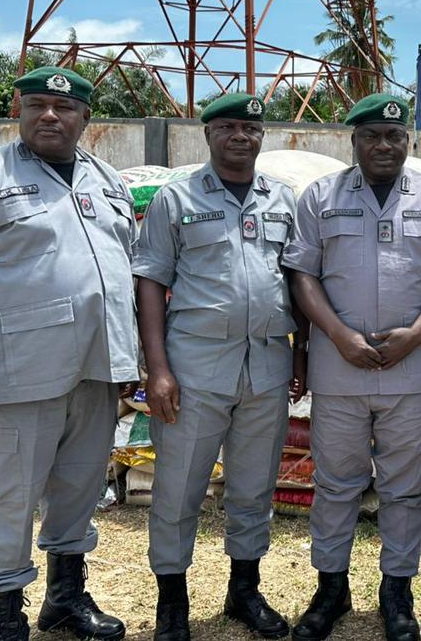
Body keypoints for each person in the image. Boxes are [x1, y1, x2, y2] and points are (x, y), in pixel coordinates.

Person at [0, 66, 138, 641]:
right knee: (7, 500)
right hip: (17, 378)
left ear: (86, 117)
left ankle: (65, 599)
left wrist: (126, 364)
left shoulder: (108, 180)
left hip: (95, 374)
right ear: (18, 108)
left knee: (79, 490)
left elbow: (119, 278)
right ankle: (5, 618)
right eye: (38, 104)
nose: (50, 115)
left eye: (65, 108)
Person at [281, 93, 421, 641]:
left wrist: (417, 332)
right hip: (338, 370)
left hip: (412, 373)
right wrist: (337, 334)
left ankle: (398, 589)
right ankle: (331, 587)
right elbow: (303, 275)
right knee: (337, 484)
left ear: (408, 141)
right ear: (354, 141)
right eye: (372, 136)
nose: (384, 145)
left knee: (403, 488)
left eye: (394, 136)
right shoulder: (321, 196)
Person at [132, 92, 305, 641]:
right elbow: (151, 283)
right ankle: (171, 604)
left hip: (267, 370)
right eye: (228, 126)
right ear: (207, 134)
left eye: (250, 128)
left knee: (254, 489)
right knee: (179, 489)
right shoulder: (175, 198)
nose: (240, 136)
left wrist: (300, 355)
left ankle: (244, 591)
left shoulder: (284, 199)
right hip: (194, 370)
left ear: (262, 136)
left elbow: (298, 282)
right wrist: (156, 367)